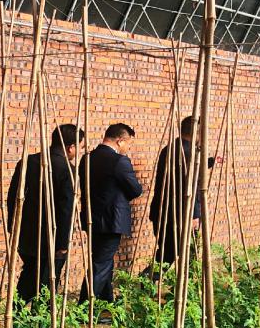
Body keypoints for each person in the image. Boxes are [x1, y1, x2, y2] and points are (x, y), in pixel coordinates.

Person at [7, 123, 83, 302]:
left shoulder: (27, 162)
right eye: (80, 146)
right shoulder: (68, 170)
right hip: (51, 236)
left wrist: (13, 227)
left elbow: (12, 197)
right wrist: (63, 243)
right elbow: (66, 211)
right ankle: (35, 320)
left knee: (31, 273)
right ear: (71, 147)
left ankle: (17, 314)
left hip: (25, 233)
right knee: (45, 281)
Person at [78, 122, 142, 304]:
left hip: (92, 218)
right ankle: (84, 306)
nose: (128, 148)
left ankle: (107, 302)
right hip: (112, 221)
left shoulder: (87, 158)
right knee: (100, 263)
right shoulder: (119, 161)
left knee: (103, 260)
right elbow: (135, 190)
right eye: (128, 143)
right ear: (120, 141)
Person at [150, 115, 217, 267]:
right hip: (181, 214)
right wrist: (194, 214)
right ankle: (148, 282)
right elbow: (190, 185)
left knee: (169, 252)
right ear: (197, 134)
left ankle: (151, 284)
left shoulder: (169, 149)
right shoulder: (190, 154)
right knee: (175, 254)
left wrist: (209, 162)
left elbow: (182, 173)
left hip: (163, 211)